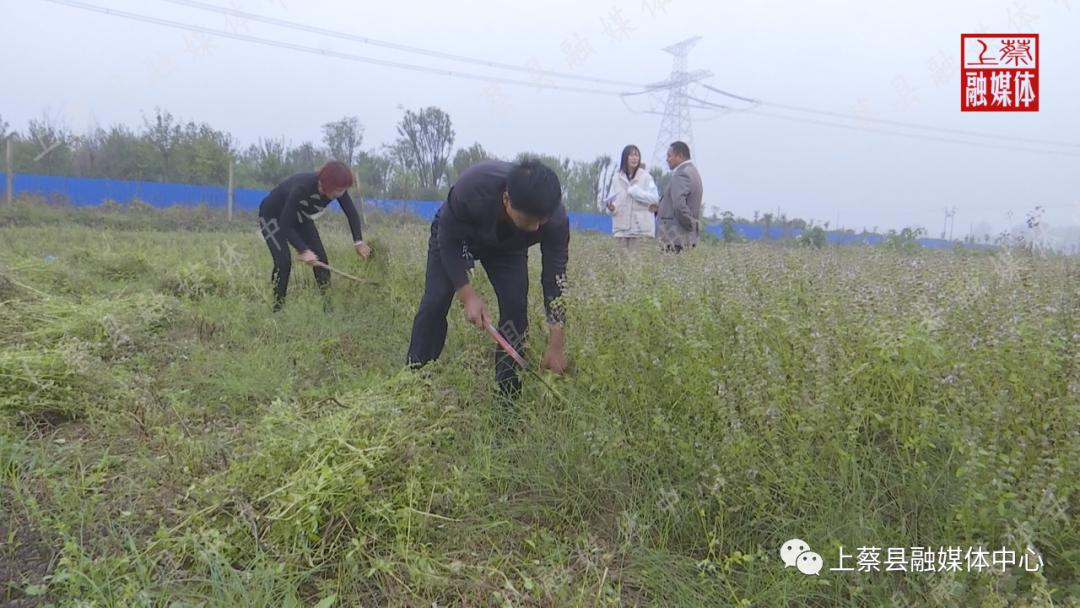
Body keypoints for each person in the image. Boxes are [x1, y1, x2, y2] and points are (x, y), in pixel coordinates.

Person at [406, 159, 570, 398]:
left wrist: (556, 345)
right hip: (458, 237)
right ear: (506, 200)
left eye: (540, 221)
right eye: (528, 220)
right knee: (436, 299)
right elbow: (448, 240)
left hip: (508, 248)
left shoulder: (554, 218)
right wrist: (468, 295)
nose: (535, 228)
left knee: (515, 307)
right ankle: (414, 379)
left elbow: (555, 279)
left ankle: (508, 396)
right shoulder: (472, 188)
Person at [257, 160, 371, 310]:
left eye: (343, 189)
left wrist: (358, 241)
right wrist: (303, 250)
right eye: (339, 189)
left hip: (299, 216)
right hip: (272, 218)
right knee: (283, 262)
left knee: (321, 259)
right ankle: (277, 309)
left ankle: (328, 308)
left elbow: (351, 212)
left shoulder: (337, 190)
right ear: (327, 185)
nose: (341, 193)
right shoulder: (302, 188)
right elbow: (285, 224)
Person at [651, 141, 703, 253]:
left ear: (679, 155)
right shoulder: (693, 171)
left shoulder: (682, 174)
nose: (667, 159)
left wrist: (690, 224)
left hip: (675, 238)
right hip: (684, 238)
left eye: (669, 156)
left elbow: (679, 206)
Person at [605, 144, 659, 250]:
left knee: (638, 264)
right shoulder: (617, 178)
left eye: (637, 155)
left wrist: (636, 192)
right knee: (620, 263)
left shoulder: (646, 177)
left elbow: (654, 198)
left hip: (641, 231)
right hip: (621, 231)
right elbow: (612, 201)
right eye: (631, 155)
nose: (634, 158)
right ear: (625, 158)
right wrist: (612, 208)